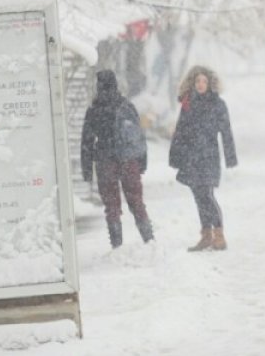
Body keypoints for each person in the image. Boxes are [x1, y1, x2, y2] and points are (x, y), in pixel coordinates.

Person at [81, 70, 153, 249]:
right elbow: (138, 136)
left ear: (98, 86)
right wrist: (142, 162)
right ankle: (149, 241)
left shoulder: (94, 110)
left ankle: (117, 246)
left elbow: (87, 142)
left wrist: (87, 170)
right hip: (128, 160)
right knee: (136, 202)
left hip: (105, 161)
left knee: (111, 207)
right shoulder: (126, 106)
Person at [169, 66, 238, 251]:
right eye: (198, 81)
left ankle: (219, 234)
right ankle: (206, 235)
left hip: (209, 155)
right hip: (190, 156)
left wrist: (230, 157)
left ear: (210, 84)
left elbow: (226, 131)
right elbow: (180, 131)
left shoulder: (218, 104)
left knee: (207, 195)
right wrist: (175, 156)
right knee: (198, 196)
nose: (200, 85)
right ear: (193, 83)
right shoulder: (187, 102)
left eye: (204, 82)